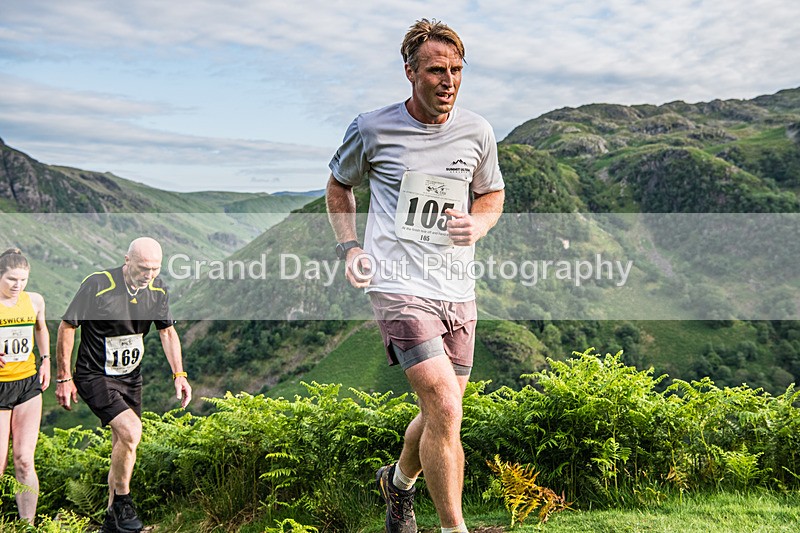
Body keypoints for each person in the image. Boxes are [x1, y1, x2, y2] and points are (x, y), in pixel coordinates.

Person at [325, 18, 505, 533]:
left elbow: (492, 191)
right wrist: (350, 247)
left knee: (438, 414)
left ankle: (397, 485)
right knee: (446, 406)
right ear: (410, 72)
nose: (448, 81)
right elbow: (338, 186)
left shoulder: (478, 130)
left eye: (456, 70)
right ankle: (454, 528)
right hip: (397, 285)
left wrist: (481, 221)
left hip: (457, 288)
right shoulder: (371, 128)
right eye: (435, 71)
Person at [55, 237, 191, 533]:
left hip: (130, 377)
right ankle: (123, 503)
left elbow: (167, 333)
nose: (149, 275)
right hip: (94, 375)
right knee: (131, 432)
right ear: (127, 260)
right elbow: (67, 326)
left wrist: (179, 375)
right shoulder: (98, 285)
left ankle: (110, 523)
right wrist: (64, 378)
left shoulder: (157, 289)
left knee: (123, 443)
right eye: (143, 268)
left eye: (155, 268)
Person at [0, 248, 50, 525]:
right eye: (11, 279)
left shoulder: (34, 301)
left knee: (24, 460)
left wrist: (46, 361)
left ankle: (26, 526)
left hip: (27, 385)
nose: (17, 285)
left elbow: (41, 329)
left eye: (22, 279)